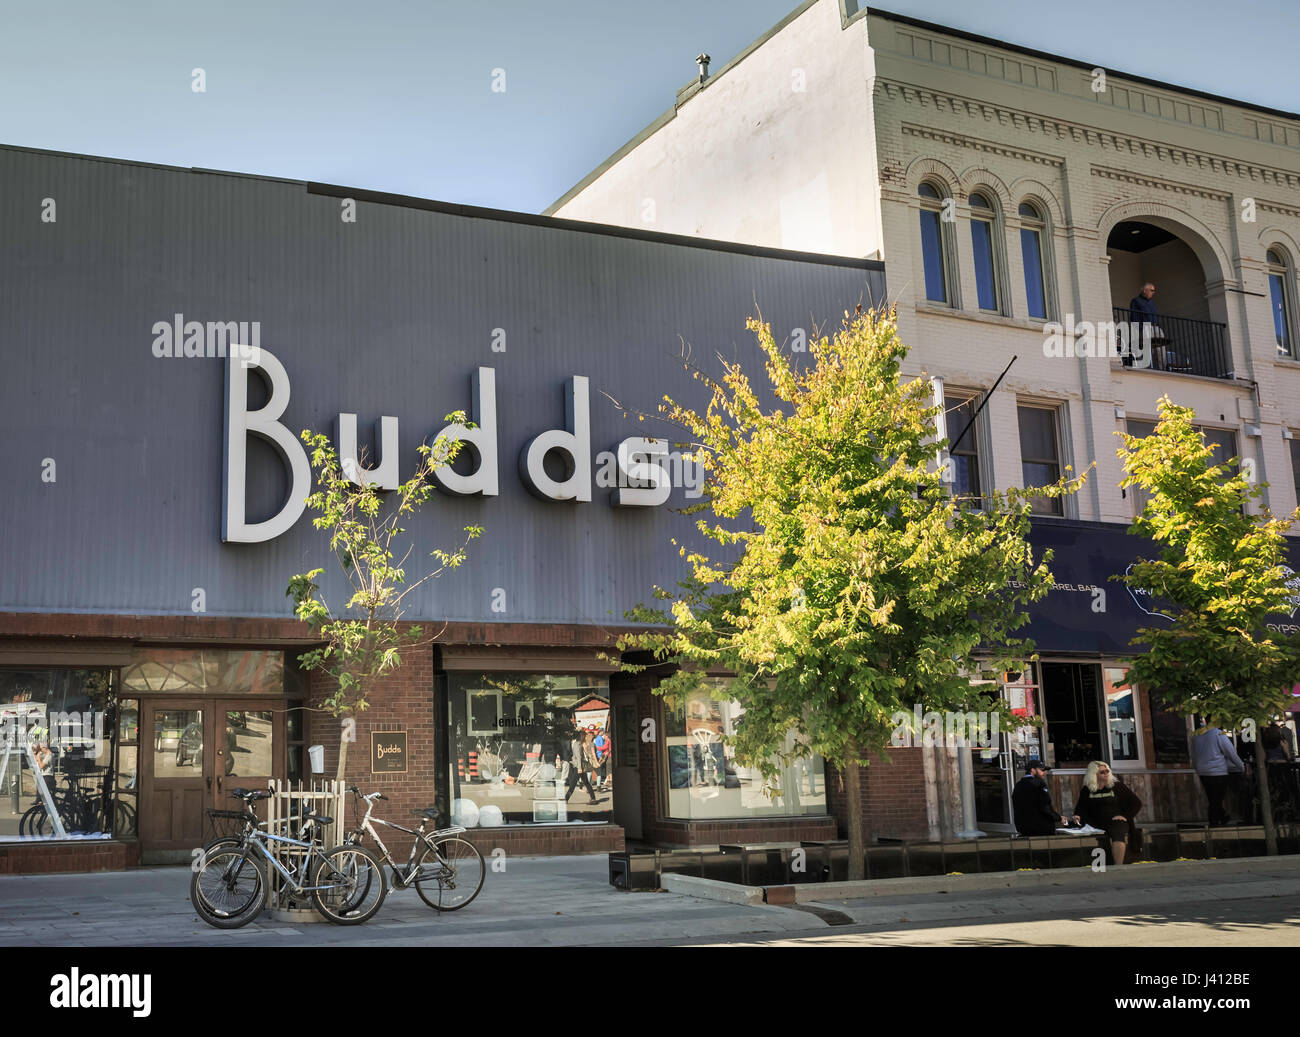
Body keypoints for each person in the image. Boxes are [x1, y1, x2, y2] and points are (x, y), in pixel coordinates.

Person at [1073, 761, 1142, 865]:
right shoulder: (1087, 790)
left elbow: (1137, 803)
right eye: (1102, 772)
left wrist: (1125, 816)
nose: (1106, 773)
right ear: (1094, 774)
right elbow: (1081, 807)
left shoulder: (1117, 786)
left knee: (1118, 833)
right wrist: (1077, 815)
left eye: (1107, 771)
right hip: (1095, 822)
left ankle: (1118, 866)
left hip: (1116, 821)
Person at [1190, 720, 1244, 826]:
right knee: (1216, 800)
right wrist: (1241, 766)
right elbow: (1231, 753)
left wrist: (1197, 767)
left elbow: (1194, 754)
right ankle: (1214, 823)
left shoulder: (1197, 735)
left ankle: (1222, 818)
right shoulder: (1218, 734)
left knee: (1213, 798)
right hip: (1218, 771)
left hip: (1203, 771)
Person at [1011, 760, 1068, 836]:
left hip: (1023, 828)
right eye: (1041, 770)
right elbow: (1045, 807)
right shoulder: (1039, 784)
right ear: (1032, 770)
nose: (1044, 773)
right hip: (1041, 828)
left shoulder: (1018, 785)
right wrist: (1058, 818)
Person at [564, 728, 597, 804]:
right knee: (586, 782)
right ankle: (593, 798)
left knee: (573, 783)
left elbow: (578, 756)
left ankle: (566, 799)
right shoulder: (582, 743)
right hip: (581, 765)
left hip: (579, 766)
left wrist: (579, 768)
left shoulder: (577, 744)